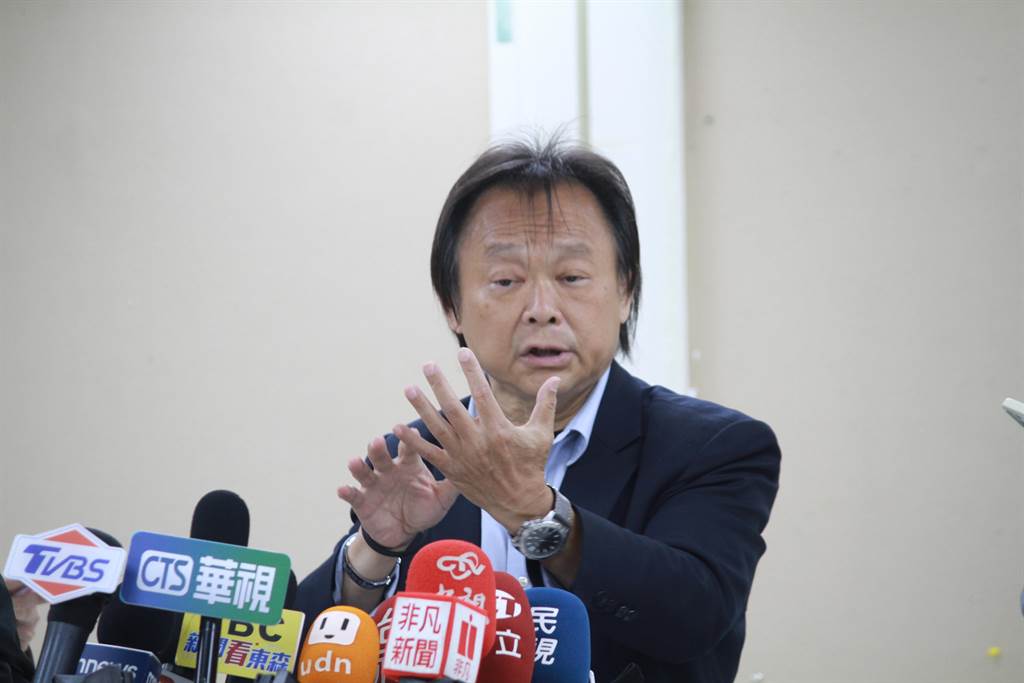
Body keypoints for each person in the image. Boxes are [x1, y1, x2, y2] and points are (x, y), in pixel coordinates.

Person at [295, 136, 781, 683]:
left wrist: (533, 512)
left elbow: (694, 616)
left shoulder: (713, 448)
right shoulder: (420, 457)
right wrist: (376, 548)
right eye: (506, 281)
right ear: (453, 306)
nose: (542, 310)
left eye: (572, 277)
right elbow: (307, 654)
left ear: (625, 291)